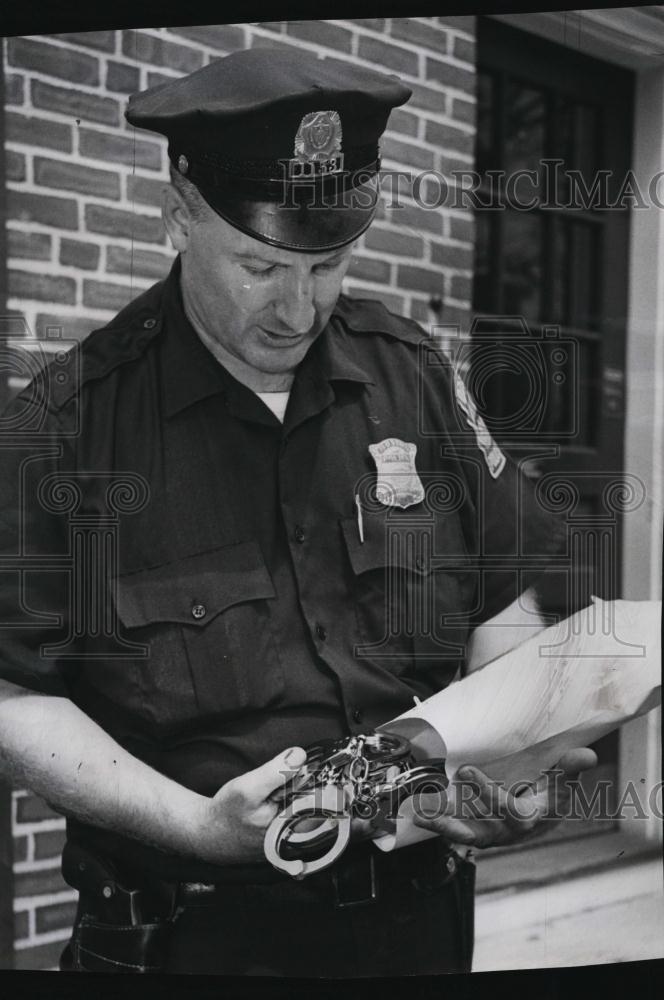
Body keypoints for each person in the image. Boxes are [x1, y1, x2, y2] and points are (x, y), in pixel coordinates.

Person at [0, 48, 596, 977]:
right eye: (259, 265)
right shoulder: (66, 427)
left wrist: (514, 763)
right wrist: (201, 829)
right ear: (179, 214)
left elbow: (499, 606)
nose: (297, 308)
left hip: (420, 926)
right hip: (188, 943)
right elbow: (14, 698)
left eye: (329, 264)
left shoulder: (415, 376)